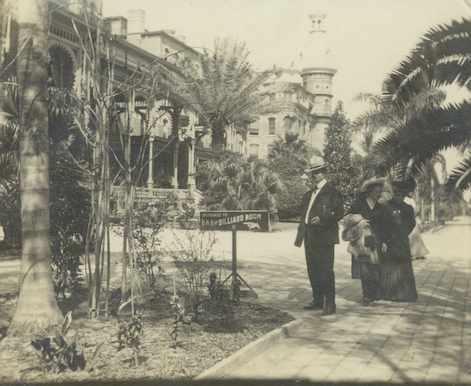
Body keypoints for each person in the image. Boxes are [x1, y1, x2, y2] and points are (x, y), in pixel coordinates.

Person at [294, 156, 344, 316]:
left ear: (324, 172)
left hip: (325, 237)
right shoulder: (308, 194)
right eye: (312, 173)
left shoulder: (332, 192)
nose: (315, 175)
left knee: (326, 271)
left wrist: (322, 219)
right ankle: (317, 299)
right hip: (309, 236)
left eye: (318, 172)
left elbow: (339, 213)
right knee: (313, 269)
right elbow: (301, 212)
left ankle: (330, 303)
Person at [347, 178, 390, 306]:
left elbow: (385, 226)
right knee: (364, 267)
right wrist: (360, 221)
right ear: (370, 191)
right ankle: (366, 295)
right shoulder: (359, 205)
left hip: (376, 240)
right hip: (362, 240)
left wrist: (384, 242)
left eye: (380, 192)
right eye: (377, 192)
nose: (379, 195)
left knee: (375, 267)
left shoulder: (381, 208)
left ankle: (374, 292)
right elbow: (348, 219)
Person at [381, 181, 418, 302]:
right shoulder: (386, 207)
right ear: (393, 194)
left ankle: (405, 294)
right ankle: (389, 293)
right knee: (390, 265)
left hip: (402, 240)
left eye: (402, 196)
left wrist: (403, 232)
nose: (399, 198)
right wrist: (385, 238)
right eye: (397, 195)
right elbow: (382, 223)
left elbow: (411, 223)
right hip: (389, 239)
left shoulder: (407, 208)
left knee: (404, 266)